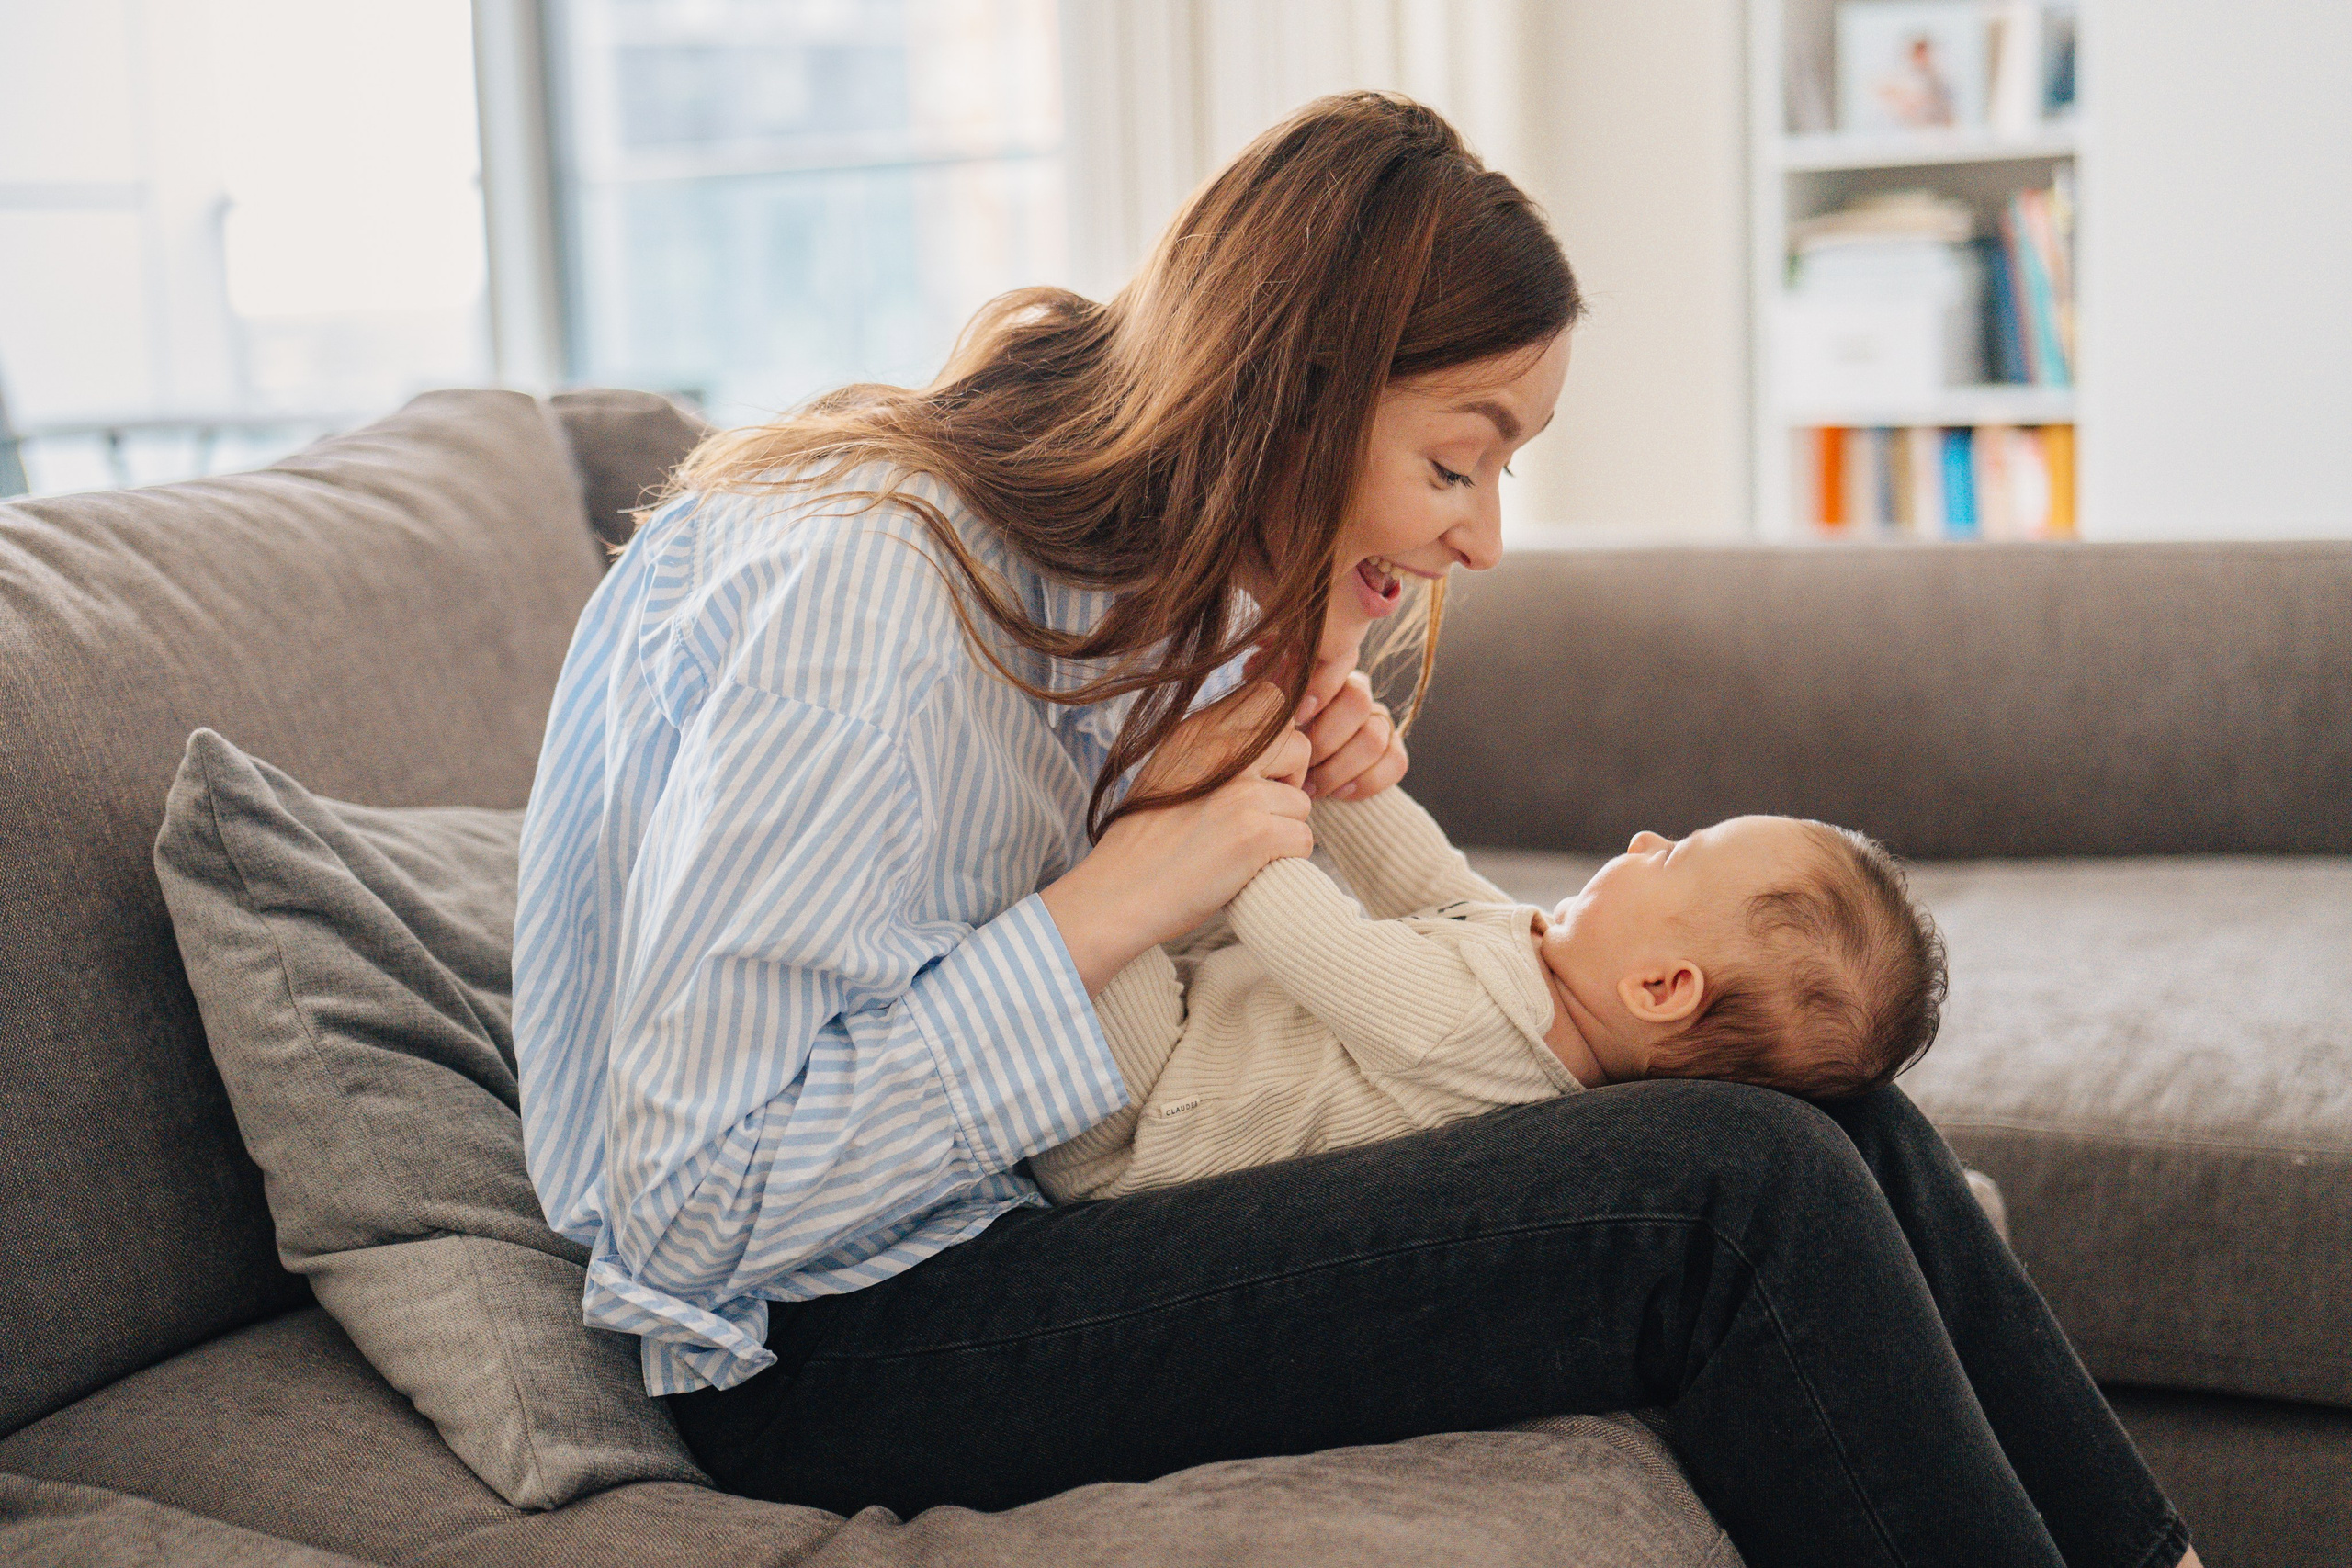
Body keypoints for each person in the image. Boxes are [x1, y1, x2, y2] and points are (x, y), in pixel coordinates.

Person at [514, 91, 2194, 1568]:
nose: (1487, 542)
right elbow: (693, 1212)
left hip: (1014, 1199)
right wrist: (1116, 899)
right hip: (826, 1337)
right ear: (1292, 401)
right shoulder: (873, 610)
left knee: (1837, 1118)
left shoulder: (1158, 594)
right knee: (1731, 1193)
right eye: (1461, 464)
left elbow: (1311, 962)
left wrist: (1273, 789)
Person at [1028, 742, 1947, 1201]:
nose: (1642, 838)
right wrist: (1344, 768)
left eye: (1672, 856)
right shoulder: (1543, 996)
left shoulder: (1473, 1029)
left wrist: (1217, 782)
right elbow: (1421, 878)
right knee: (1141, 877)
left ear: (1660, 988)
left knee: (1092, 884)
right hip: (1198, 1029)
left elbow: (1302, 931)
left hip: (1133, 1120)